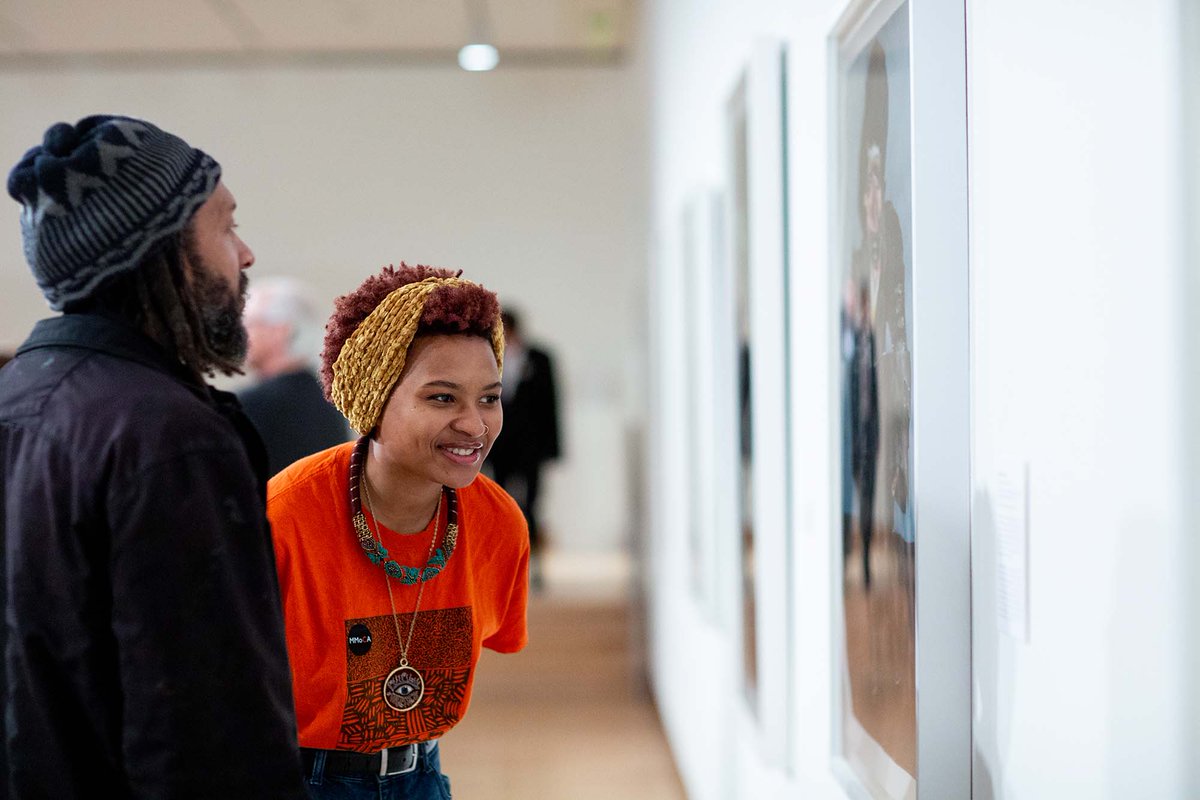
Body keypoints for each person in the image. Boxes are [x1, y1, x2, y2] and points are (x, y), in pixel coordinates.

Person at [0, 115, 305, 798]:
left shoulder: (16, 397)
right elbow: (210, 732)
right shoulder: (166, 436)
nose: (246, 253)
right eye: (224, 226)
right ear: (160, 249)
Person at [268, 263, 529, 799]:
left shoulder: (497, 523)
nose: (475, 425)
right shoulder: (286, 517)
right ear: (373, 400)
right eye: (441, 398)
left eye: (488, 397)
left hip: (423, 777)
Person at [240, 276, 351, 476]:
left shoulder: (253, 404)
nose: (241, 333)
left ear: (281, 331)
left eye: (250, 323)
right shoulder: (331, 401)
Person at [484, 308, 561, 589]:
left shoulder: (540, 358)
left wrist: (553, 449)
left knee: (533, 506)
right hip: (499, 446)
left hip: (531, 448)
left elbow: (552, 405)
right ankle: (505, 568)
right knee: (499, 507)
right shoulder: (488, 358)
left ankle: (537, 566)